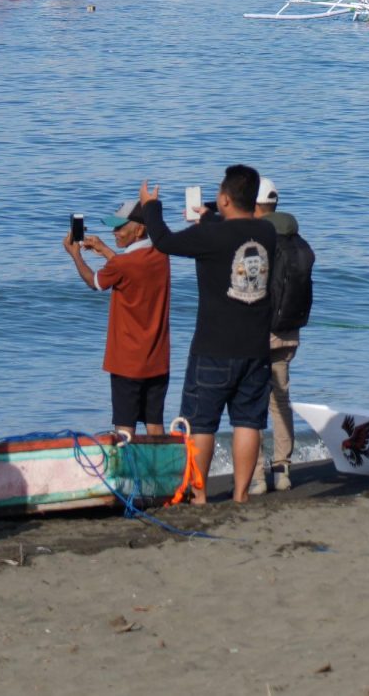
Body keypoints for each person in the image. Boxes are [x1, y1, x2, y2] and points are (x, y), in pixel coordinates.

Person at [130, 166, 279, 504]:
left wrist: (150, 206)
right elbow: (233, 232)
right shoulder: (266, 234)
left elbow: (164, 240)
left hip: (213, 346)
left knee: (202, 424)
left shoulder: (211, 238)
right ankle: (241, 495)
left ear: (225, 199)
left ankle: (200, 496)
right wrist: (212, 216)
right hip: (255, 346)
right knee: (248, 421)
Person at [66, 199, 172, 436]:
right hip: (157, 358)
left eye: (121, 228)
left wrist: (76, 256)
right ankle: (161, 471)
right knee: (155, 422)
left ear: (139, 230)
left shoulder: (123, 265)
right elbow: (129, 269)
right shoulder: (161, 255)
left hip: (127, 361)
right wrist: (104, 249)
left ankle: (128, 471)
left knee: (125, 426)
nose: (115, 233)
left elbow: (94, 282)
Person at [256, 177, 314, 492]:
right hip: (290, 330)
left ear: (255, 206)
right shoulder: (296, 238)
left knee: (251, 401)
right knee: (281, 400)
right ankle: (282, 470)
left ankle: (254, 477)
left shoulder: (259, 239)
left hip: (259, 332)